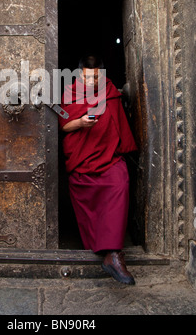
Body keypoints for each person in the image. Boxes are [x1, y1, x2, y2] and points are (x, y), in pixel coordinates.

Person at [59, 54, 137, 285]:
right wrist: (81, 122)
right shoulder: (70, 92)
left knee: (120, 183)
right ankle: (102, 249)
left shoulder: (111, 91)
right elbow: (63, 125)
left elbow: (118, 124)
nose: (91, 81)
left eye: (95, 77)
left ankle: (113, 254)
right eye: (86, 77)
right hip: (82, 157)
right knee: (87, 196)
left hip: (109, 156)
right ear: (79, 74)